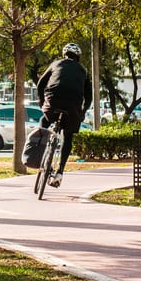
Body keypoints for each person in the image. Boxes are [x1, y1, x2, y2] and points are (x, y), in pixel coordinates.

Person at [36, 42, 92, 187]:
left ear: (64, 54)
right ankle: (60, 172)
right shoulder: (84, 71)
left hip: (52, 102)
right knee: (68, 137)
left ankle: (40, 148)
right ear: (78, 57)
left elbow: (41, 84)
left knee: (44, 120)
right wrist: (83, 112)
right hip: (72, 107)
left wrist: (42, 102)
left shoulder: (55, 64)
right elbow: (89, 97)